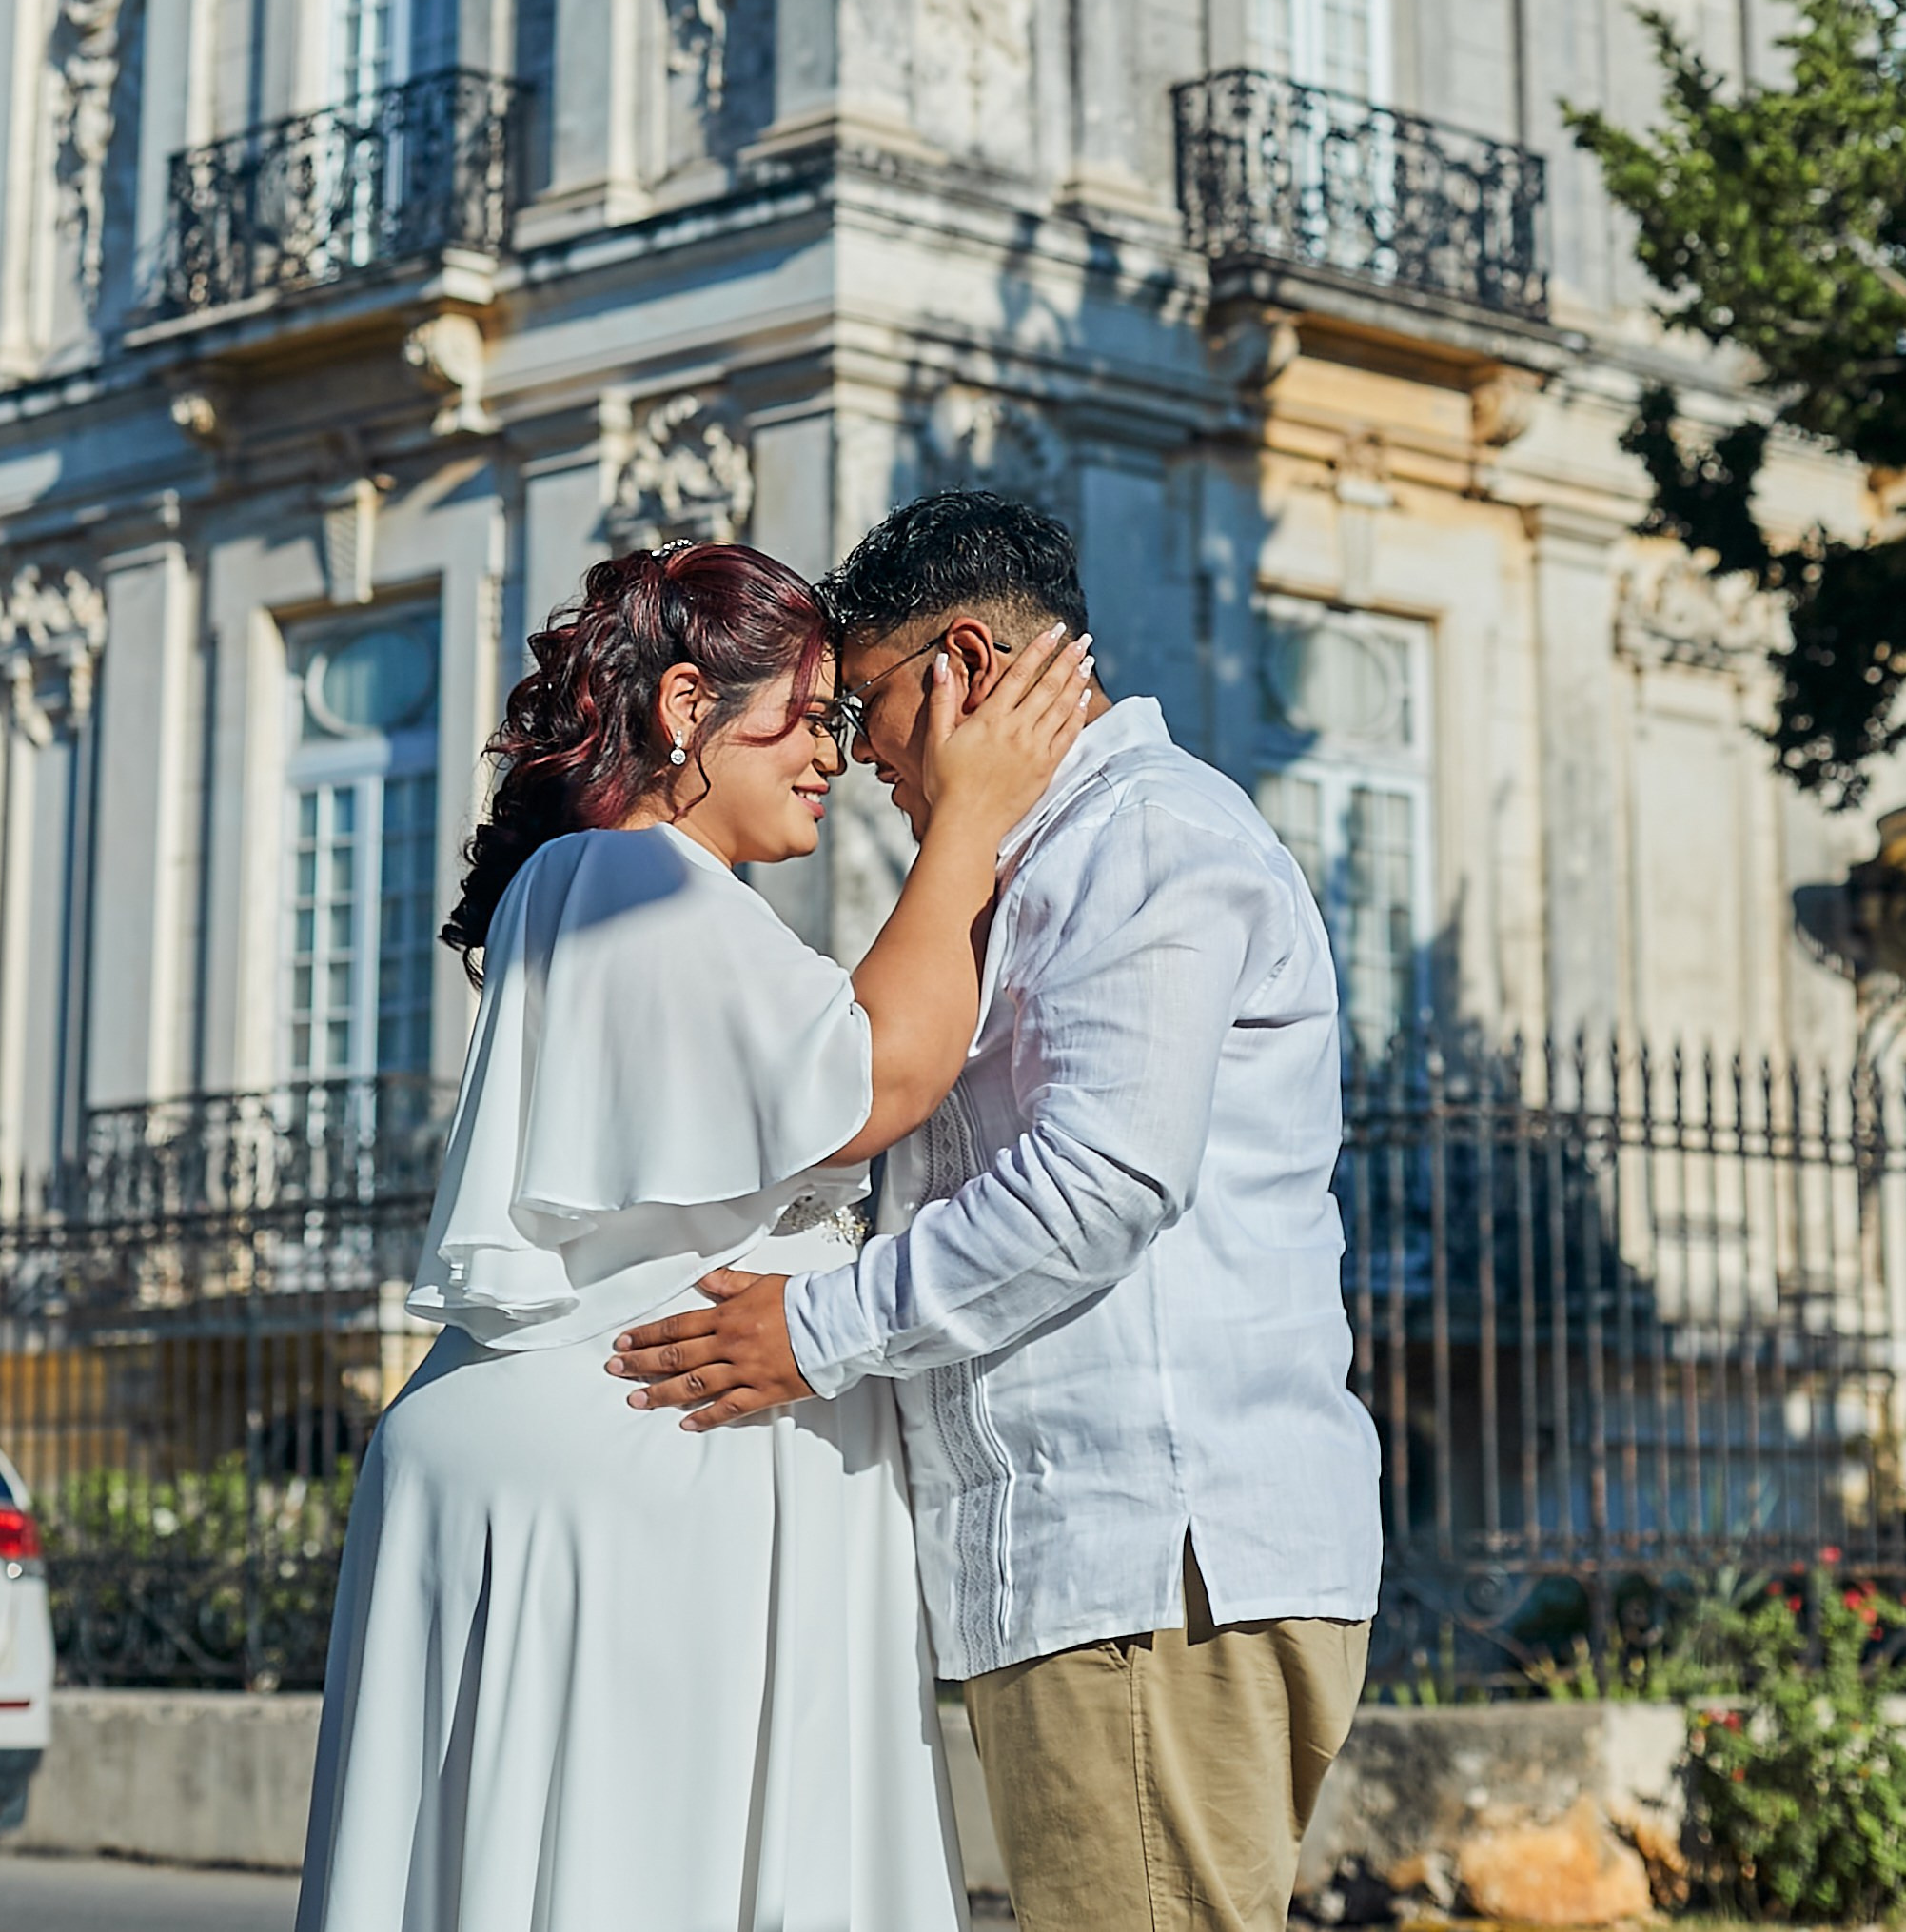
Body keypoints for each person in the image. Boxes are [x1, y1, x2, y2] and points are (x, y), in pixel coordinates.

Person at [294, 536, 1093, 1932]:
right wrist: (971, 819)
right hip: (628, 1477)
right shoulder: (628, 877)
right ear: (683, 711)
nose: (835, 760)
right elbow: (878, 1075)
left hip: (633, 1462)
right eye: (807, 712)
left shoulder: (648, 896)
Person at [613, 494, 1384, 1932]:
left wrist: (814, 1335)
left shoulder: (1141, 839)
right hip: (1108, 1582)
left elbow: (1105, 1180)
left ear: (963, 663)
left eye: (871, 711)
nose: (862, 765)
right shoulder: (1038, 860)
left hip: (1152, 1568)